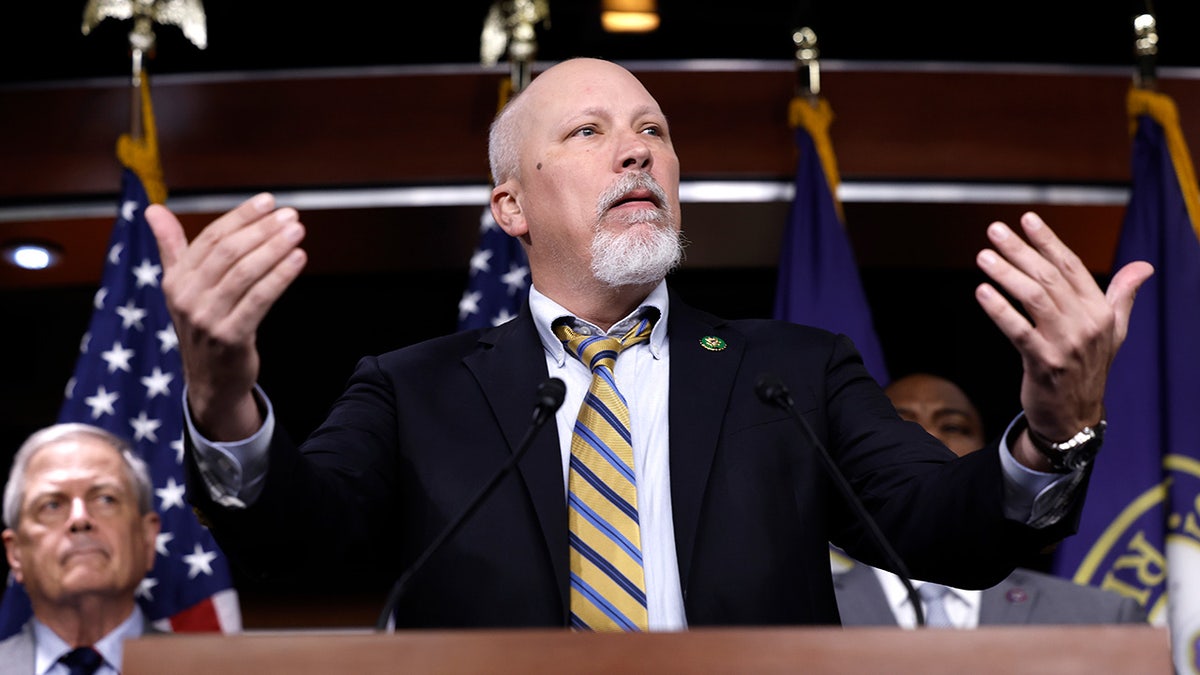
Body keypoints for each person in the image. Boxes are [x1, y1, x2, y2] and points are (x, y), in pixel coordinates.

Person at [143, 57, 1154, 631]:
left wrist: (1056, 428)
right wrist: (223, 397)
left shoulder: (793, 374)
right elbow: (290, 541)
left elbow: (954, 532)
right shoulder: (417, 391)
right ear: (510, 205)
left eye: (653, 130)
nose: (637, 149)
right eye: (588, 134)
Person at [832, 373, 1148, 627]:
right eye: (901, 427)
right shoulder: (797, 609)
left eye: (953, 427)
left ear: (987, 450)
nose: (928, 436)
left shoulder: (1102, 619)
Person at [0, 424, 162, 674]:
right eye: (52, 505)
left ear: (147, 538)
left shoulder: (213, 669)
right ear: (16, 553)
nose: (80, 518)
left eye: (106, 499)